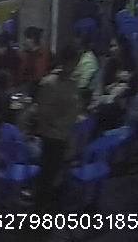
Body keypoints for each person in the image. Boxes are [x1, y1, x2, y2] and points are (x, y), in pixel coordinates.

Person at [31, 46, 81, 211]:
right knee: (47, 173)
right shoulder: (50, 83)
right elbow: (44, 112)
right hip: (52, 136)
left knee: (56, 172)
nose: (74, 66)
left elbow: (74, 106)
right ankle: (40, 209)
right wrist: (61, 120)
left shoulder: (72, 82)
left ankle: (49, 203)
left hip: (64, 134)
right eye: (72, 63)